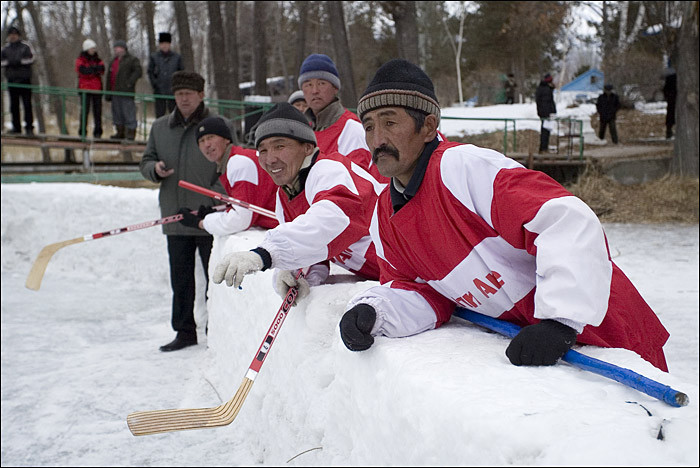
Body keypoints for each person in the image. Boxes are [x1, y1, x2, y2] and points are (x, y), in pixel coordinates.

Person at [338, 58, 670, 374]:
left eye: (390, 122)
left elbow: (566, 220)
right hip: (539, 343)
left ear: (428, 127)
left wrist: (560, 320)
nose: (377, 139)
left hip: (603, 329)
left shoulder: (462, 169)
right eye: (368, 126)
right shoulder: (385, 215)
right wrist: (375, 312)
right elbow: (418, 290)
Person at [212, 102, 384, 302]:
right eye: (263, 150)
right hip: (388, 275)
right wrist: (298, 273)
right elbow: (316, 249)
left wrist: (265, 254)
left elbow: (329, 221)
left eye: (279, 146)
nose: (270, 159)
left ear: (308, 147)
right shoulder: (285, 194)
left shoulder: (329, 170)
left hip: (418, 272)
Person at [139, 71, 232, 352]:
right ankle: (184, 331)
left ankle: (215, 330)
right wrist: (154, 169)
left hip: (208, 217)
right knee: (180, 279)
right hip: (175, 216)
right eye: (179, 95)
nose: (183, 99)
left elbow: (230, 164)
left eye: (189, 94)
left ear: (201, 95)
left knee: (213, 278)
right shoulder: (159, 128)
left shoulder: (219, 125)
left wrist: (215, 197)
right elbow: (146, 161)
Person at [176, 116, 279, 235]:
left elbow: (241, 219)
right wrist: (216, 214)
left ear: (226, 139)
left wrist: (201, 223)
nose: (207, 145)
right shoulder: (235, 161)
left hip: (285, 228)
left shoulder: (239, 163)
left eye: (211, 137)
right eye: (201, 141)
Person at [298, 53, 385, 182]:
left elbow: (359, 184)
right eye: (308, 84)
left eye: (321, 83)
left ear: (335, 88)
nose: (314, 90)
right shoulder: (304, 130)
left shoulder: (352, 129)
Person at [105, 39, 142, 140]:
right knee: (117, 114)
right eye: (115, 48)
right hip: (114, 92)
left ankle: (130, 133)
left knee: (128, 113)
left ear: (124, 49)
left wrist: (129, 82)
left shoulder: (132, 60)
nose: (116, 50)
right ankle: (119, 132)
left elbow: (138, 71)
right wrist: (107, 93)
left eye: (118, 48)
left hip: (126, 92)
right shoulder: (113, 61)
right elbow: (109, 77)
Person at [1, 26, 35, 135]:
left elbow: (32, 58)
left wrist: (19, 62)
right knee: (13, 106)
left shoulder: (25, 46)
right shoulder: (5, 49)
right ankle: (16, 127)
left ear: (18, 35)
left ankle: (29, 128)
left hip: (24, 80)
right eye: (11, 34)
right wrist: (10, 62)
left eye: (15, 34)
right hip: (12, 80)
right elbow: (2, 61)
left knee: (27, 105)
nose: (13, 36)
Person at [148, 32, 184, 118]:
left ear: (170, 44)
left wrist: (177, 85)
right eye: (162, 44)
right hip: (159, 90)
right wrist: (155, 84)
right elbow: (150, 72)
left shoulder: (177, 57)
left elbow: (181, 72)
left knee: (175, 114)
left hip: (173, 90)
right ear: (159, 45)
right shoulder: (154, 57)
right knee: (160, 115)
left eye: (166, 44)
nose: (164, 46)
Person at [75, 39, 105, 138]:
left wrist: (92, 71)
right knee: (84, 112)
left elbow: (101, 69)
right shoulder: (80, 60)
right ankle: (82, 131)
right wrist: (94, 71)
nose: (93, 50)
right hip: (85, 89)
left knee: (98, 112)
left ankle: (98, 132)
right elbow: (83, 71)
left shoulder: (98, 60)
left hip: (97, 89)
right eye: (91, 48)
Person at [535, 73, 557, 154]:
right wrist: (551, 111)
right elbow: (547, 102)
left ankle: (543, 148)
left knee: (545, 130)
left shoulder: (542, 88)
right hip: (546, 113)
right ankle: (543, 148)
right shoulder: (546, 89)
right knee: (545, 131)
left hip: (544, 112)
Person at [662, 66, 677, 139]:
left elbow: (665, 89)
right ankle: (669, 131)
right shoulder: (675, 77)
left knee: (670, 115)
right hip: (673, 98)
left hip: (671, 98)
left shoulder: (669, 77)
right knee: (672, 114)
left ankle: (669, 131)